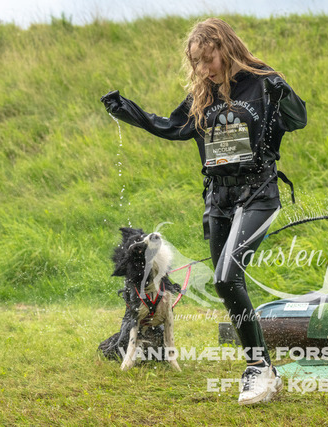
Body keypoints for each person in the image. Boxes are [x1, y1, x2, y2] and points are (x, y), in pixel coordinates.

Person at [101, 18, 307, 404]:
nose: (202, 68)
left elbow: (298, 120)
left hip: (258, 194)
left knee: (227, 278)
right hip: (218, 201)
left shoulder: (263, 82)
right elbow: (169, 126)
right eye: (196, 61)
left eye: (207, 59)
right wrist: (128, 111)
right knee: (227, 283)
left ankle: (257, 370)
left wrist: (286, 93)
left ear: (226, 49)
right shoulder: (202, 95)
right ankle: (266, 369)